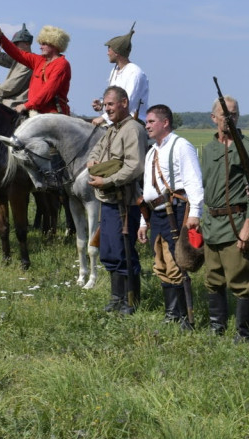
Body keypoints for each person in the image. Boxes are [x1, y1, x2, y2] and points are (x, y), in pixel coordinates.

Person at [199, 96, 249, 342]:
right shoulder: (209, 149)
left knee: (241, 280)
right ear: (213, 118)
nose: (230, 118)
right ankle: (218, 327)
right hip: (211, 223)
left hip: (236, 223)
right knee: (213, 278)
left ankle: (243, 332)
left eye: (234, 114)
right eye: (225, 114)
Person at [137, 104, 204, 330]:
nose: (146, 126)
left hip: (175, 211)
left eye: (151, 121)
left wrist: (195, 214)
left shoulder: (181, 146)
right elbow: (147, 190)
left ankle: (184, 317)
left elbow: (194, 182)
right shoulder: (152, 152)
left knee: (178, 264)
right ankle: (171, 314)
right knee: (161, 263)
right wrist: (143, 222)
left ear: (165, 122)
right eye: (146, 122)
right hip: (156, 214)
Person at [86, 86, 148, 315]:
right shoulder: (112, 130)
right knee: (109, 251)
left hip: (126, 201)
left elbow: (134, 166)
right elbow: (96, 152)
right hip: (110, 200)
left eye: (111, 104)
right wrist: (92, 164)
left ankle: (130, 301)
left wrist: (108, 181)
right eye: (105, 105)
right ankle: (116, 298)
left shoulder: (133, 129)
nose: (107, 109)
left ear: (124, 102)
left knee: (124, 251)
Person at [0, 22, 72, 115]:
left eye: (44, 44)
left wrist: (27, 105)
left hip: (52, 113)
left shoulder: (62, 64)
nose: (40, 47)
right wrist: (0, 36)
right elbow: (17, 53)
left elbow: (48, 91)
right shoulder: (39, 60)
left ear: (54, 44)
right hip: (34, 111)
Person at [92, 25, 149, 124]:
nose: (107, 53)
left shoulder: (135, 73)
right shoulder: (114, 70)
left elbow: (127, 102)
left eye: (109, 50)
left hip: (133, 122)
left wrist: (104, 118)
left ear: (117, 52)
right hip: (116, 120)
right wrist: (102, 105)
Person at [0, 23, 34, 109]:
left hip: (18, 106)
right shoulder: (17, 60)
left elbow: (11, 86)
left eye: (16, 44)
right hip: (7, 104)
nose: (13, 47)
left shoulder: (29, 63)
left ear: (27, 44)